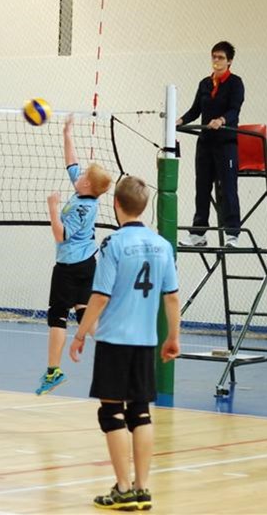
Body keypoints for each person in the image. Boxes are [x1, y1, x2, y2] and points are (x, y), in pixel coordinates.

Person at [70, 175, 181, 511]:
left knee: (112, 413)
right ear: (143, 206)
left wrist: (80, 334)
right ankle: (142, 489)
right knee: (140, 413)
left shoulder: (113, 244)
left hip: (115, 340)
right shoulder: (163, 245)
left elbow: (100, 297)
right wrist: (173, 337)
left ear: (117, 204)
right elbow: (172, 298)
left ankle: (123, 489)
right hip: (146, 342)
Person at [36, 114, 112, 396]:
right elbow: (72, 163)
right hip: (86, 264)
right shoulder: (84, 193)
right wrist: (67, 133)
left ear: (88, 185)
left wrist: (52, 207)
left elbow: (60, 235)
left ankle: (53, 372)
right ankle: (114, 354)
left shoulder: (82, 208)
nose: (77, 176)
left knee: (57, 315)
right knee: (83, 314)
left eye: (82, 176)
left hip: (70, 266)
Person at [177, 40, 245, 248]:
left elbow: (234, 110)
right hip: (205, 143)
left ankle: (232, 233)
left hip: (226, 143)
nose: (216, 61)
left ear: (229, 61)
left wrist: (221, 120)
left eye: (221, 57)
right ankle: (199, 233)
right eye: (214, 57)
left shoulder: (235, 83)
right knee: (202, 187)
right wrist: (180, 120)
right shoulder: (205, 84)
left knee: (227, 188)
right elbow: (195, 110)